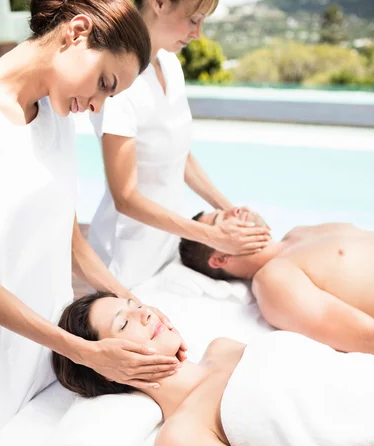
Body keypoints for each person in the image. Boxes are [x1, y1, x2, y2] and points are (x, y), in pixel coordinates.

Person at [0, 0, 186, 446]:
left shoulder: (55, 114)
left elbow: (69, 240)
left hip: (47, 358)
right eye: (104, 84)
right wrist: (83, 351)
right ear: (77, 31)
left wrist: (138, 307)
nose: (96, 107)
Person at [52, 291, 374, 446]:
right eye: (123, 323)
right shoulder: (183, 439)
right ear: (108, 368)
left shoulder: (222, 347)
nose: (146, 314)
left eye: (136, 305)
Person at [88, 0, 271, 289]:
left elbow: (178, 156)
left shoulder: (170, 65)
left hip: (167, 241)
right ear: (158, 3)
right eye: (194, 19)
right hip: (125, 253)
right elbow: (125, 198)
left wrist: (231, 211)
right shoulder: (119, 80)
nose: (198, 33)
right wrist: (212, 237)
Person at [179, 207, 374, 355]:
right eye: (220, 221)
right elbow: (367, 337)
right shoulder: (273, 281)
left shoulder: (299, 232)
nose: (234, 210)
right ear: (220, 259)